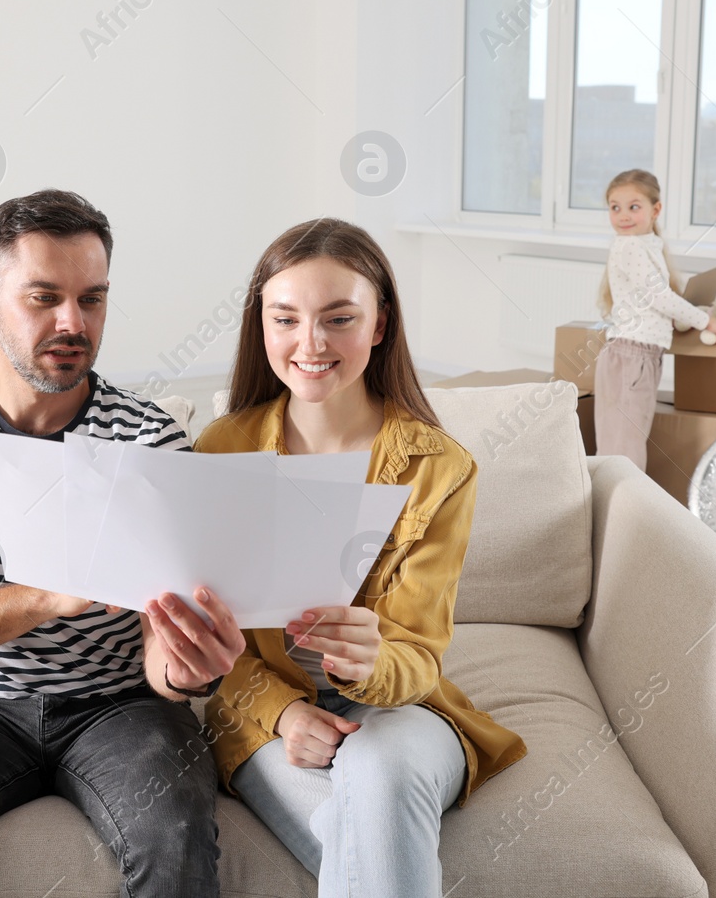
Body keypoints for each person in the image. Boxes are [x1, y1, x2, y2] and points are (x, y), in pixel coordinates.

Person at [0, 189, 246, 898]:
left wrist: (187, 672)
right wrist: (44, 595)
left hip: (122, 700)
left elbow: (165, 651)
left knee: (174, 839)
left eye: (92, 299)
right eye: (44, 297)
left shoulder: (150, 441)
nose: (73, 323)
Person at [195, 218, 527, 898]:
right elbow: (207, 645)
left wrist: (373, 660)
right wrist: (285, 712)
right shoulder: (221, 450)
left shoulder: (440, 468)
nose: (310, 343)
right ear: (262, 326)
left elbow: (417, 656)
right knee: (359, 843)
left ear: (379, 325)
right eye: (284, 318)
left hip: (400, 710)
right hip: (264, 716)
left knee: (376, 776)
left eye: (338, 318)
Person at [594, 169, 716, 469]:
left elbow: (651, 300)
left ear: (656, 210)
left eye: (633, 206)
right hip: (631, 356)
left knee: (623, 447)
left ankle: (618, 512)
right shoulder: (628, 246)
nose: (623, 215)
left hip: (639, 356)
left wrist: (683, 316)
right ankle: (621, 514)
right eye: (615, 207)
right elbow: (661, 297)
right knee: (623, 454)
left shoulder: (646, 245)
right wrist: (706, 322)